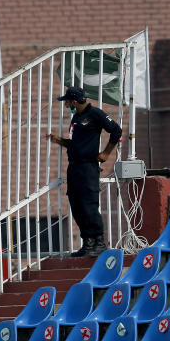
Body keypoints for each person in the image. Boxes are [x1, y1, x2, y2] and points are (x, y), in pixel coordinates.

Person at [48, 86, 123, 257]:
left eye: (67, 101)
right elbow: (76, 144)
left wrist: (106, 152)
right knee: (77, 205)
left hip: (88, 167)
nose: (66, 104)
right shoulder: (76, 118)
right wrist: (59, 140)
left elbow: (116, 130)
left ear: (74, 101)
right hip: (74, 167)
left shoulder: (95, 114)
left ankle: (98, 242)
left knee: (89, 205)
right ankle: (88, 242)